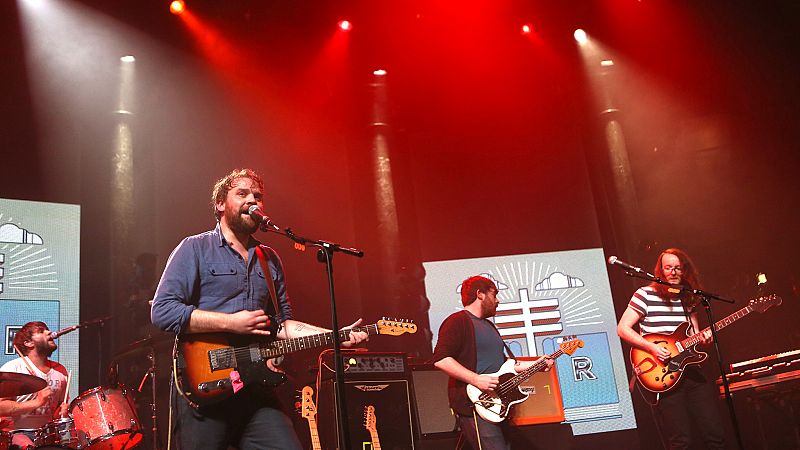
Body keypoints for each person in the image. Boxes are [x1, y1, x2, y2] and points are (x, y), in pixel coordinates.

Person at [151, 168, 368, 450]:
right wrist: (231, 324)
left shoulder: (270, 258)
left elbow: (283, 325)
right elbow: (163, 311)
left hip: (255, 388)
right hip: (207, 384)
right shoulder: (194, 249)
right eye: (242, 194)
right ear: (220, 204)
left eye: (258, 196)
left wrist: (335, 334)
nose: (252, 201)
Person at [617, 248, 727, 449]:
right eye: (668, 267)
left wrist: (705, 340)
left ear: (685, 271)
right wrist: (651, 347)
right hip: (664, 371)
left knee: (715, 433)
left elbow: (694, 333)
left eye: (678, 268)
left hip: (692, 372)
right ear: (660, 270)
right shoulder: (644, 295)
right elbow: (623, 328)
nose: (673, 272)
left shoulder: (687, 298)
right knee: (680, 440)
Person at [432, 275, 553, 450]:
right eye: (494, 294)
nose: (498, 300)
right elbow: (441, 359)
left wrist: (537, 364)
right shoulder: (458, 321)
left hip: (497, 404)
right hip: (476, 402)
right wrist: (476, 379)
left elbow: (505, 365)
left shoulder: (489, 326)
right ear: (480, 294)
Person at [0, 321, 69, 449]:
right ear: (28, 343)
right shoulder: (13, 368)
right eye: (41, 331)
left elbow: (56, 411)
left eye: (47, 329)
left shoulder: (61, 371)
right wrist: (37, 402)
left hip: (47, 436)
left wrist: (62, 413)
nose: (49, 332)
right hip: (15, 434)